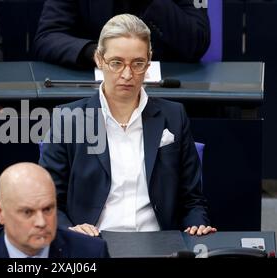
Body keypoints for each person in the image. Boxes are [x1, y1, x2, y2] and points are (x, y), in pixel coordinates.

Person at [39, 14, 217, 237]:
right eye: (116, 63)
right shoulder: (67, 118)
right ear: (99, 60)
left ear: (149, 62)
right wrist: (70, 230)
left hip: (158, 242)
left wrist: (196, 224)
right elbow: (48, 200)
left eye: (138, 64)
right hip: (93, 241)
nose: (127, 74)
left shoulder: (174, 116)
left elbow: (192, 200)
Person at [0, 162, 110, 258]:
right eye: (27, 212)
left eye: (47, 209)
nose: (41, 222)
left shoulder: (91, 253)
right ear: (0, 212)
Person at [34, 0, 210, 68]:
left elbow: (197, 41)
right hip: (92, 93)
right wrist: (95, 52)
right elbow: (48, 37)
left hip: (168, 95)